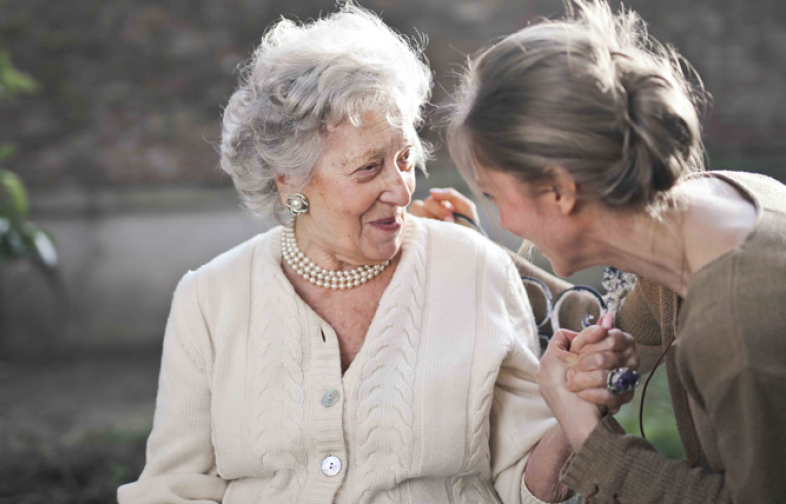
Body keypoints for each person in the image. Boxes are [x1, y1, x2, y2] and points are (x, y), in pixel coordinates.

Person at [117, 5, 634, 503]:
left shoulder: (474, 269)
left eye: (405, 157)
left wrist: (575, 407)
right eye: (368, 168)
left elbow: (525, 485)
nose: (401, 189)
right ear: (290, 181)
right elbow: (173, 489)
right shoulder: (210, 299)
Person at [428, 1, 786, 502]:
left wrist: (590, 438)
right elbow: (616, 342)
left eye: (494, 196)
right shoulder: (714, 207)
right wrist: (595, 365)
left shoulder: (735, 328)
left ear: (558, 191)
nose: (503, 220)